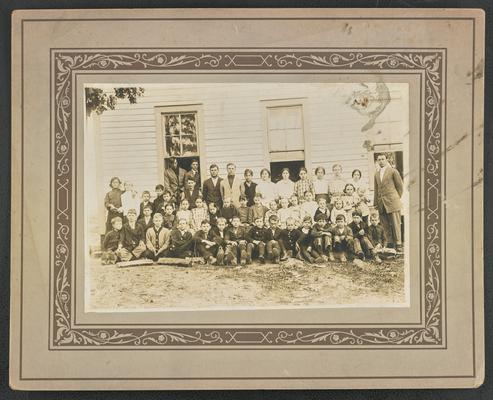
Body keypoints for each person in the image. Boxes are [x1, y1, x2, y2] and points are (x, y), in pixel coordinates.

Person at [373, 153, 404, 252]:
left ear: (386, 160)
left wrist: (395, 198)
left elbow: (400, 187)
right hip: (381, 203)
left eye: (382, 159)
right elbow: (376, 189)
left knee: (395, 223)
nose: (381, 161)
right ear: (377, 161)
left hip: (392, 201)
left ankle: (398, 243)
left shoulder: (393, 171)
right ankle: (390, 243)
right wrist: (376, 203)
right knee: (385, 224)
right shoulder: (376, 174)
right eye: (379, 159)